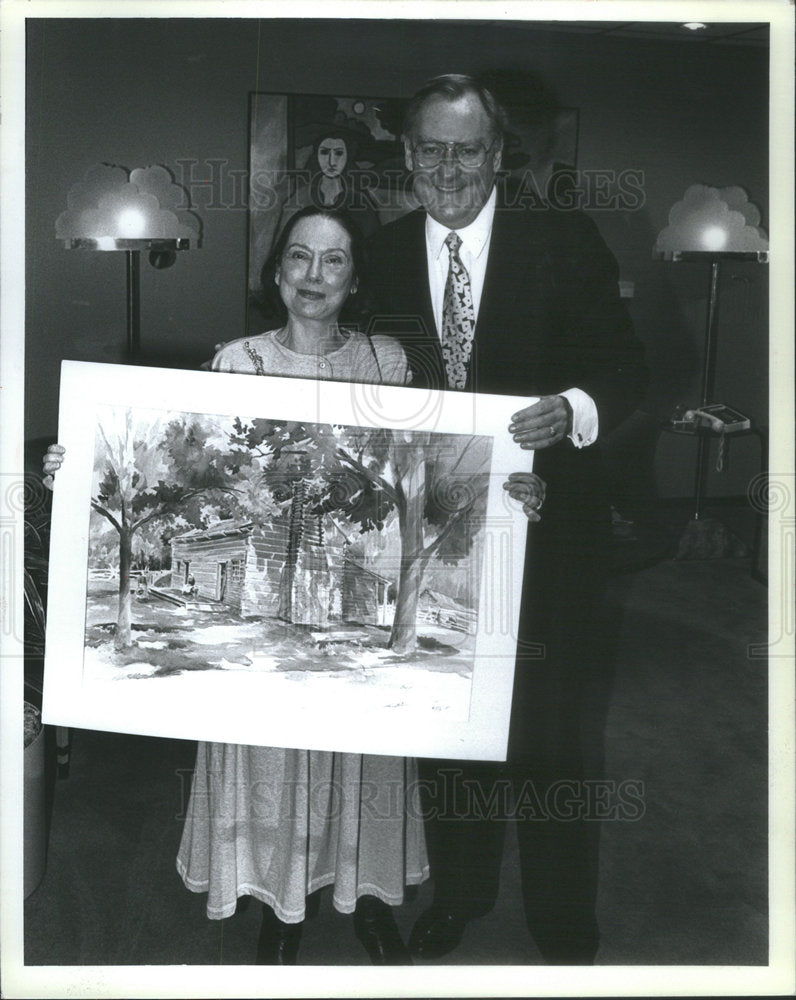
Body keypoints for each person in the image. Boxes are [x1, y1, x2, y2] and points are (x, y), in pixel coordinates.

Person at [41, 204, 546, 965]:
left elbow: (438, 463)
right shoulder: (237, 362)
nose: (314, 276)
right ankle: (283, 909)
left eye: (334, 260)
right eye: (299, 258)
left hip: (334, 570)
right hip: (275, 580)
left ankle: (369, 899)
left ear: (353, 279)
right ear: (277, 272)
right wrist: (71, 467)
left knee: (366, 756)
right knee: (274, 754)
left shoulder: (386, 364)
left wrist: (513, 489)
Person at [367, 75, 649, 964]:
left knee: (554, 739)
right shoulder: (373, 258)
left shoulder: (564, 241)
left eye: (468, 150)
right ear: (409, 157)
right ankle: (461, 897)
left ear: (497, 157)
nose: (449, 168)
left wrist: (570, 409)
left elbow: (626, 369)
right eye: (432, 150)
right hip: (429, 550)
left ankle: (564, 925)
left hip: (549, 533)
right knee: (451, 737)